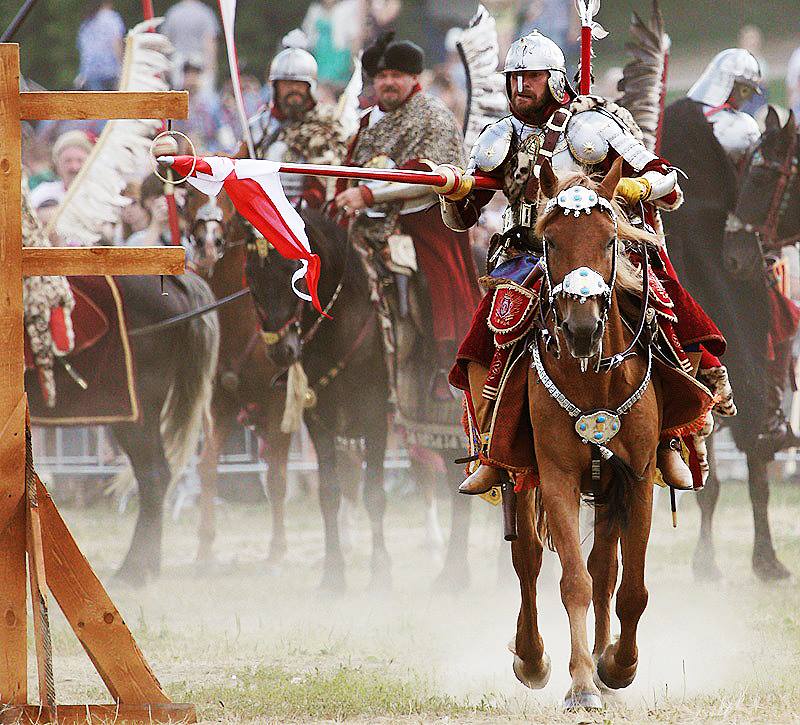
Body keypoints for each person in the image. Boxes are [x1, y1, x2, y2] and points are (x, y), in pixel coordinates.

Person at [434, 30, 730, 494]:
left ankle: (669, 437)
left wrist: (638, 186)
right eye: (514, 79)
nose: (520, 87)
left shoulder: (590, 127)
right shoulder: (499, 137)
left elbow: (667, 182)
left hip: (597, 250)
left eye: (531, 77)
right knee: (482, 338)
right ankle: (494, 448)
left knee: (667, 309)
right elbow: (463, 218)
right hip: (528, 253)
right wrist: (454, 191)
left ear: (554, 80)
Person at [664, 49, 800, 454]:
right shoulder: (695, 121)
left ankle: (766, 415)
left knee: (768, 321)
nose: (743, 98)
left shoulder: (732, 125)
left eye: (748, 92)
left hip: (727, 244)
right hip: (695, 247)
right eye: (741, 89)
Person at [331, 32, 481, 398]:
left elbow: (427, 174)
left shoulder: (433, 117)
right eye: (382, 76)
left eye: (396, 75)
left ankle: (443, 362)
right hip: (363, 221)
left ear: (414, 77)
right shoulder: (366, 123)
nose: (388, 82)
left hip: (420, 221)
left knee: (433, 282)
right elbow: (349, 169)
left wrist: (368, 194)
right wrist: (342, 199)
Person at [241, 44, 347, 208]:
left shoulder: (327, 123)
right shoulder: (260, 125)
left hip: (311, 213)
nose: (293, 89)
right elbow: (239, 168)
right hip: (263, 208)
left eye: (299, 84)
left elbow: (331, 180)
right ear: (276, 87)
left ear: (310, 87)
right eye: (287, 84)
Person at [162, 0, 221, 91]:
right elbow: (209, 42)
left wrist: (165, 68)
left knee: (179, 94)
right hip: (199, 61)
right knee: (203, 95)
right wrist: (211, 68)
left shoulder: (173, 12)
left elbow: (165, 42)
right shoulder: (206, 13)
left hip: (178, 61)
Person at [29, 130, 93, 211]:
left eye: (80, 160)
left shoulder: (100, 196)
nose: (74, 167)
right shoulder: (42, 192)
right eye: (68, 161)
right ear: (57, 165)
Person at [76, 1, 126, 91]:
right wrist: (122, 67)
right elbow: (116, 44)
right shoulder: (112, 18)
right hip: (110, 71)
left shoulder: (88, 21)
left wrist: (82, 74)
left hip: (91, 73)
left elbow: (85, 50)